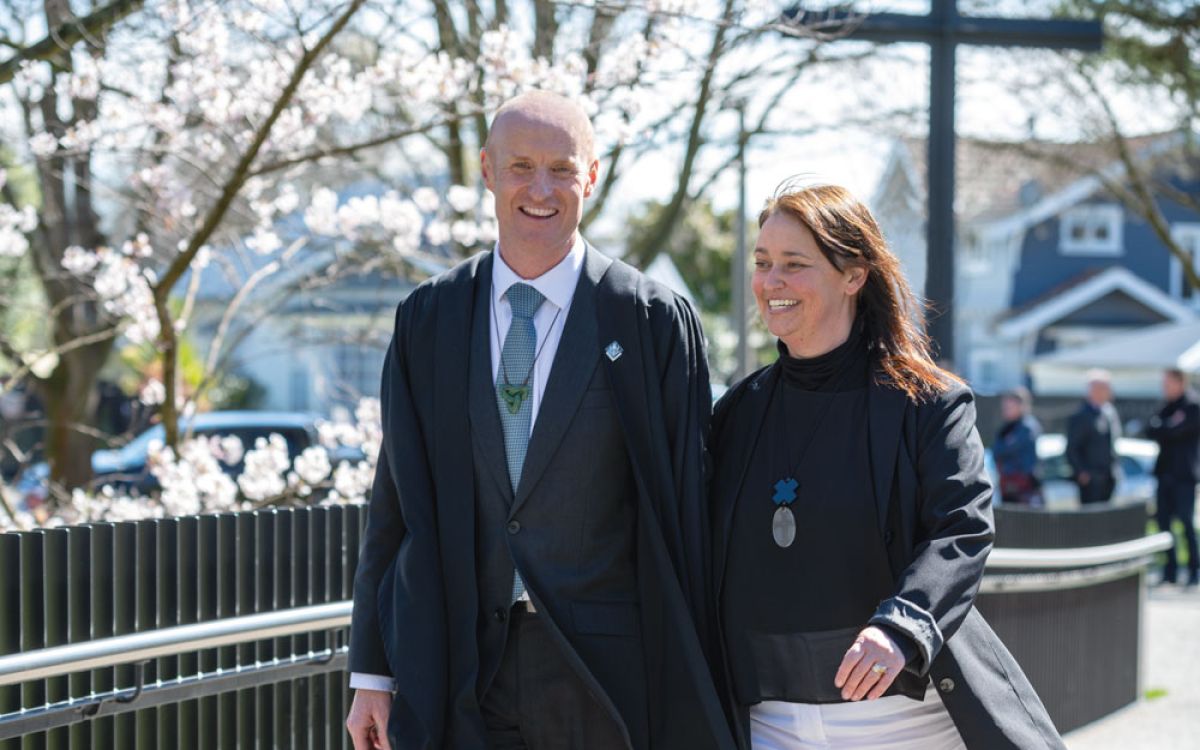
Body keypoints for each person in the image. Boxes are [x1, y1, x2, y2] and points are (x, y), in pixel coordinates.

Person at [345, 90, 734, 750]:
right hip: (465, 672)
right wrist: (372, 672)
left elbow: (688, 517)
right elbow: (394, 505)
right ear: (487, 171)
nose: (541, 189)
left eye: (562, 169)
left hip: (609, 680)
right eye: (521, 167)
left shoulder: (650, 321)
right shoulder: (429, 319)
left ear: (592, 176)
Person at [709, 181, 1063, 749]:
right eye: (763, 262)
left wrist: (903, 626)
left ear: (854, 275)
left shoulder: (927, 403)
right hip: (767, 724)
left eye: (794, 264)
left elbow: (962, 528)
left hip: (903, 721)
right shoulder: (736, 412)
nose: (771, 281)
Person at [1145, 368, 1199, 587]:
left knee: (1185, 522)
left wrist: (1166, 428)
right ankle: (1170, 572)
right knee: (1163, 524)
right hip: (1164, 474)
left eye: (1168, 384)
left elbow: (1178, 431)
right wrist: (1169, 426)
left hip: (1184, 475)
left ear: (1180, 382)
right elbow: (1151, 430)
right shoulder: (1166, 407)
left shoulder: (1192, 405)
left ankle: (1194, 571)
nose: (1164, 388)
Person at [1066, 370, 1122, 505]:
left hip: (1108, 477)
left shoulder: (1110, 412)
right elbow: (1072, 448)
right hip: (1091, 480)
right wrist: (1082, 473)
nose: (1108, 391)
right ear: (1093, 391)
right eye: (1104, 388)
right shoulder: (1081, 416)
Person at [993, 387, 1043, 506]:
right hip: (1007, 488)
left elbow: (1008, 451)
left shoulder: (1027, 428)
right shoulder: (1006, 428)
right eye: (1005, 407)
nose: (1006, 410)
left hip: (1024, 489)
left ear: (1022, 406)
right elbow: (996, 452)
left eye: (1010, 407)